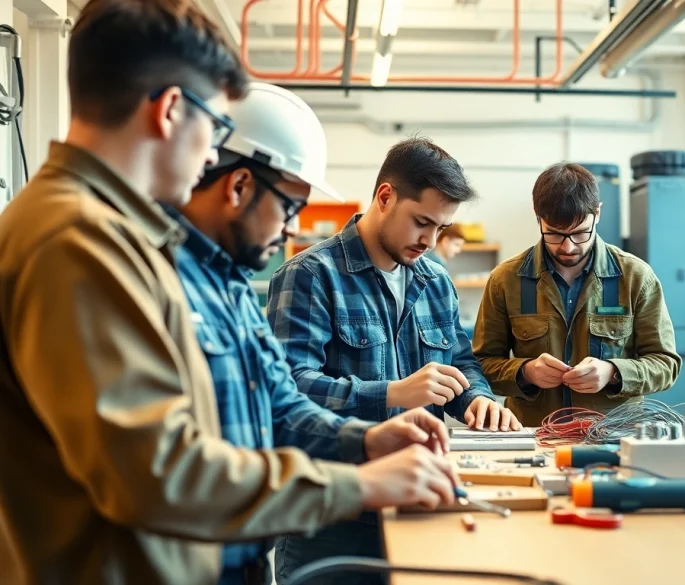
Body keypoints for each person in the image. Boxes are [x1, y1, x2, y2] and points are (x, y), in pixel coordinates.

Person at [0, 3, 457, 584]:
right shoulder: (75, 242)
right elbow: (159, 473)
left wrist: (364, 439)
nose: (213, 155)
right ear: (170, 111)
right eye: (214, 128)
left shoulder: (148, 243)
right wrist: (357, 484)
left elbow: (272, 401)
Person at [266, 136, 521, 580]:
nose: (430, 239)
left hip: (419, 505)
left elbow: (460, 363)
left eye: (441, 228)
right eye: (422, 222)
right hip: (334, 519)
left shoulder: (435, 279)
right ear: (385, 197)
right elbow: (286, 389)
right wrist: (391, 394)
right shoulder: (309, 275)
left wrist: (477, 398)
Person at [472, 163, 681, 427]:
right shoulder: (506, 280)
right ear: (538, 217)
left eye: (581, 233)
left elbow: (666, 364)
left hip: (614, 436)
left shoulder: (635, 277)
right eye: (555, 234)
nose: (568, 247)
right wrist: (524, 372)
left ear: (598, 213)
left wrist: (614, 373)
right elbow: (480, 365)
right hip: (536, 434)